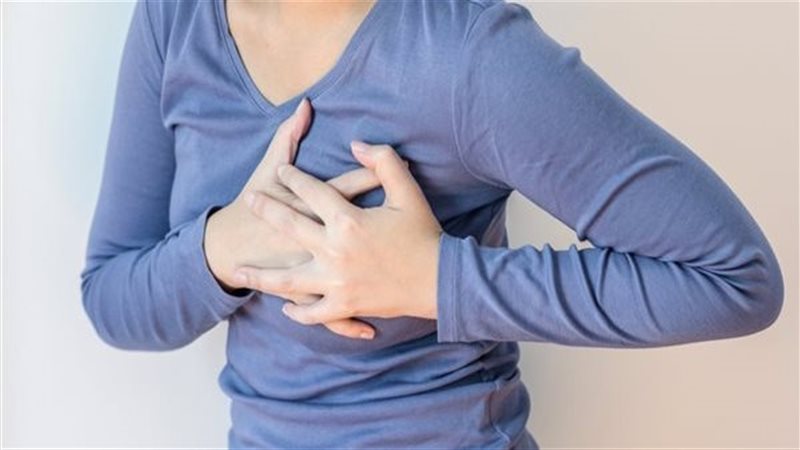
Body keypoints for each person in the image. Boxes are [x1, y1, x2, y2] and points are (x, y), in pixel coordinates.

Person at [79, 0, 785, 448]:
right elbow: (111, 297)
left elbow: (733, 279)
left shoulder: (469, 53)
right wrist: (220, 248)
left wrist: (436, 280)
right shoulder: (174, 19)